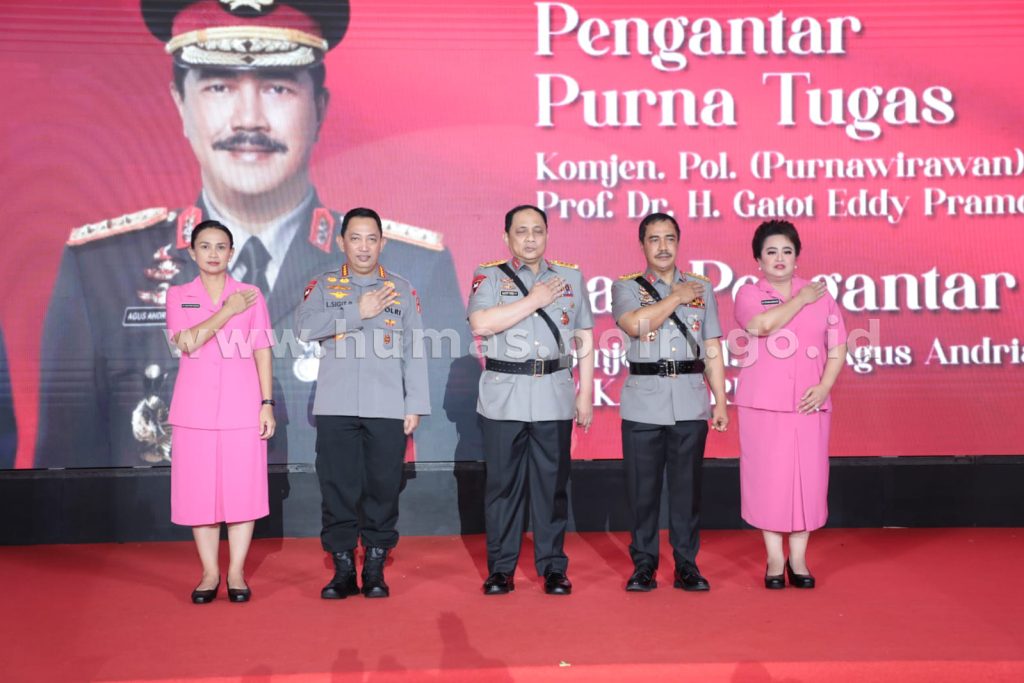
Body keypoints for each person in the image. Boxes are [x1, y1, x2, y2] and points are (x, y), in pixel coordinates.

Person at [35, 0, 473, 469]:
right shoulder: (102, 271)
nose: (249, 120)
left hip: (339, 534)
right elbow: (62, 481)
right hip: (168, 538)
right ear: (180, 105)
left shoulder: (413, 269)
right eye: (219, 86)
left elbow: (454, 457)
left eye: (278, 88)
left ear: (319, 109)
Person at [296, 207, 429, 600]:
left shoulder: (401, 289)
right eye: (356, 238)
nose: (364, 247)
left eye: (372, 238)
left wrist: (415, 403)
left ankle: (374, 566)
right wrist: (358, 312)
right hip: (335, 405)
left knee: (383, 487)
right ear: (341, 242)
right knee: (337, 486)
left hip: (387, 405)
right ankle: (340, 570)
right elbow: (304, 328)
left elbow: (414, 351)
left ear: (383, 243)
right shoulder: (322, 286)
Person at [467, 204, 594, 596]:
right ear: (506, 237)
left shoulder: (570, 276)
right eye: (521, 231)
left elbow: (585, 336)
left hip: (554, 393)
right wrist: (536, 299)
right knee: (502, 487)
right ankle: (501, 569)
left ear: (547, 235)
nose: (530, 238)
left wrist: (585, 393)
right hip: (504, 394)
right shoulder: (488, 276)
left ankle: (553, 567)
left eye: (537, 231)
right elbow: (482, 323)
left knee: (552, 487)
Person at [610, 213, 729, 593]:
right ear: (642, 245)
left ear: (679, 242)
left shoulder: (703, 288)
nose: (663, 247)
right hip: (644, 401)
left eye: (670, 239)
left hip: (691, 399)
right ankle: (643, 565)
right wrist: (676, 297)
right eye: (654, 239)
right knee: (642, 492)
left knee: (686, 490)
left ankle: (686, 565)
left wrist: (721, 402)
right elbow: (635, 325)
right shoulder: (626, 286)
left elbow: (711, 346)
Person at [165, 220, 275, 604]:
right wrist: (226, 311)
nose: (213, 253)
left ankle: (236, 572)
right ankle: (210, 572)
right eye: (205, 246)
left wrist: (267, 403)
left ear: (231, 253)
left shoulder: (251, 294)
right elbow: (188, 341)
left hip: (243, 408)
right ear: (192, 252)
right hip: (193, 411)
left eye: (221, 246)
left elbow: (262, 349)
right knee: (201, 495)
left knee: (242, 493)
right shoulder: (179, 295)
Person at [733, 220, 847, 589]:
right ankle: (774, 558)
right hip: (763, 405)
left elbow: (839, 345)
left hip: (810, 403)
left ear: (797, 257)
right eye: (771, 252)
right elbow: (761, 326)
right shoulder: (750, 294)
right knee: (769, 480)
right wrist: (799, 301)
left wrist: (825, 386)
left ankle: (798, 559)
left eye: (787, 251)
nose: (779, 258)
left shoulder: (821, 295)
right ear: (758, 260)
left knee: (808, 481)